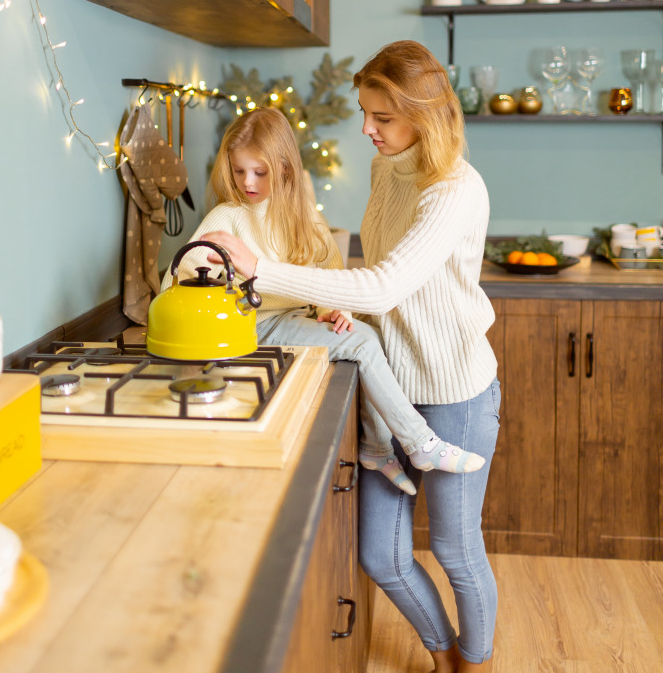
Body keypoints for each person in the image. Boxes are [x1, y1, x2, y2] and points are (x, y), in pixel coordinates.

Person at [204, 41, 500, 673]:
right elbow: (380, 279)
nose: (367, 129)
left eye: (383, 118)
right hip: (393, 383)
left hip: (454, 391)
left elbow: (389, 282)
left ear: (425, 118)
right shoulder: (386, 169)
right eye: (367, 114)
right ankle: (443, 660)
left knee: (457, 550)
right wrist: (346, 313)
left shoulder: (456, 190)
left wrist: (266, 271)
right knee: (381, 555)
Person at [161, 107, 484, 496]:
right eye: (238, 170)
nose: (247, 182)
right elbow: (180, 275)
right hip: (253, 324)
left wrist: (336, 310)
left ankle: (378, 449)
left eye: (259, 172)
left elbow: (330, 273)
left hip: (289, 320)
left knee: (366, 337)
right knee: (363, 342)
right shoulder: (227, 216)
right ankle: (419, 444)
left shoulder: (303, 218)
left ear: (284, 168)